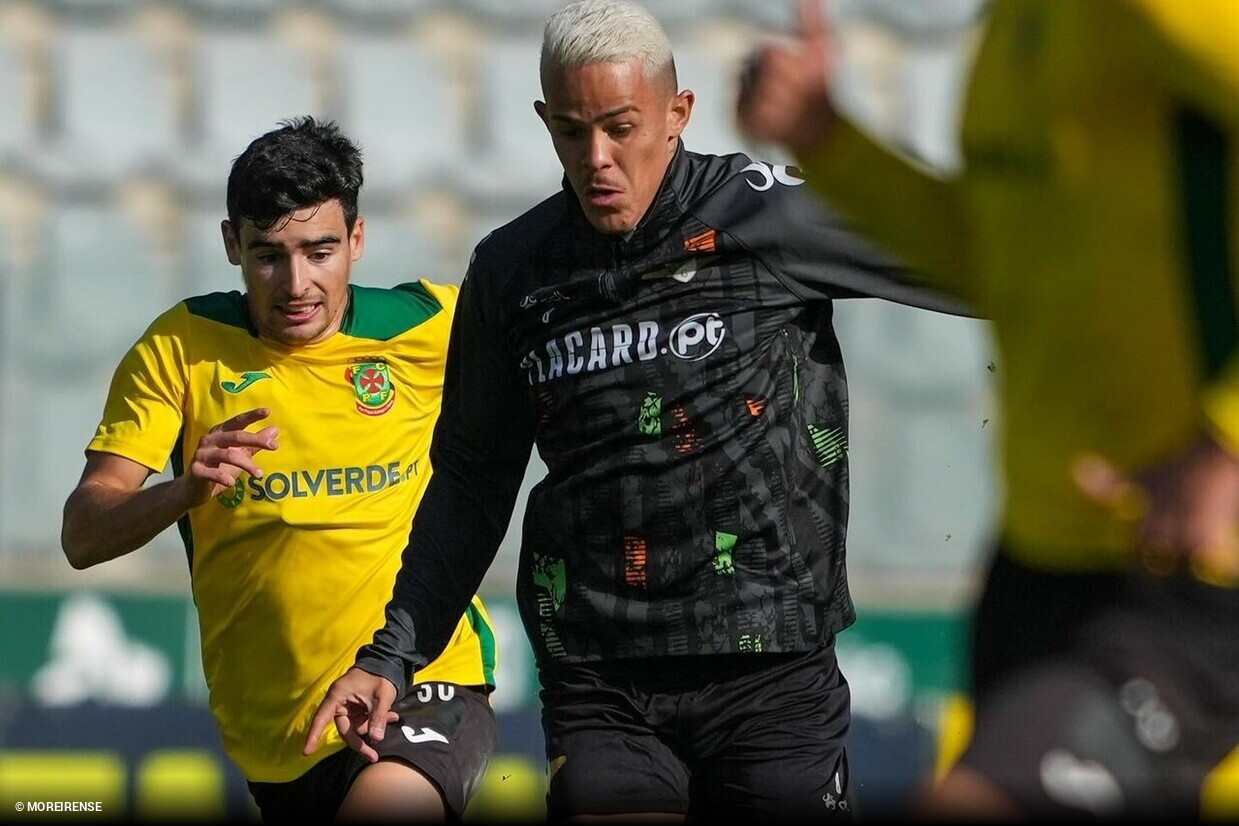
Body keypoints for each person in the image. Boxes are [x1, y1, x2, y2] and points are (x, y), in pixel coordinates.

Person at [305, 1, 968, 821]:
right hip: (600, 675)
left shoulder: (765, 213)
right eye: (572, 132)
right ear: (544, 120)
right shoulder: (512, 270)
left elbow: (975, 268)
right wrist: (393, 655)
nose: (597, 159)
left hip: (771, 665)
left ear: (677, 113)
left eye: (620, 127)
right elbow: (473, 483)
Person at [738, 0, 1239, 818]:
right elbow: (987, 258)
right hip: (1036, 563)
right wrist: (827, 142)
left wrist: (1225, 444)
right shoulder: (1014, 24)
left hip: (1182, 577)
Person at [60, 117, 498, 823]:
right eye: (268, 256)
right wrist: (184, 491)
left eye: (319, 251)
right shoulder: (182, 348)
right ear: (231, 243)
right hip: (276, 739)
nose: (297, 283)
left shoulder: (428, 326)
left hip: (423, 679)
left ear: (356, 240)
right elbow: (83, 534)